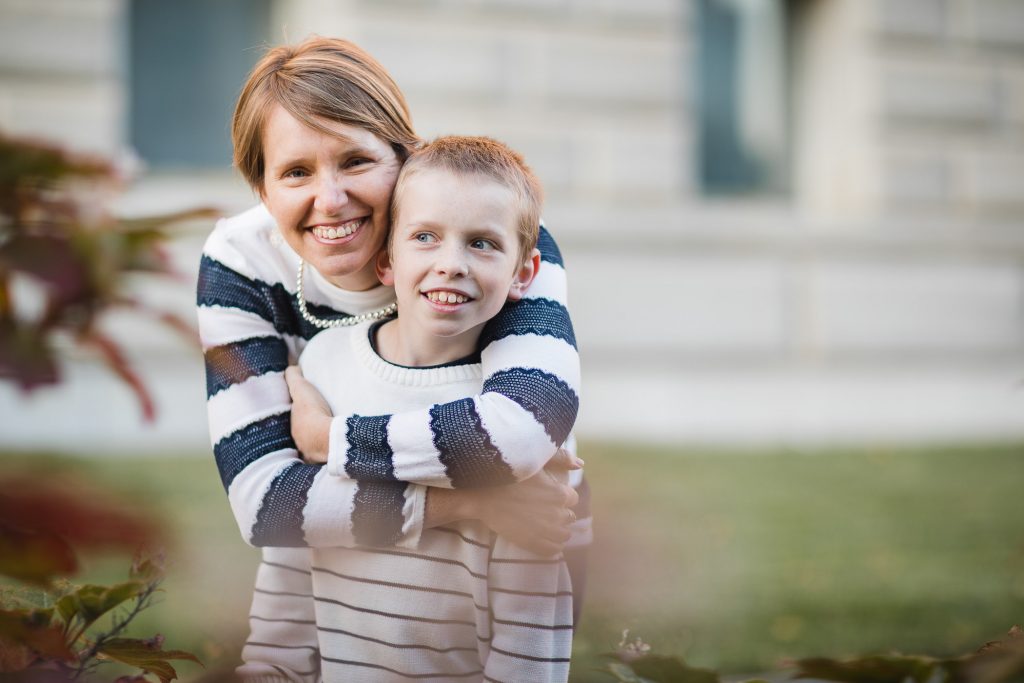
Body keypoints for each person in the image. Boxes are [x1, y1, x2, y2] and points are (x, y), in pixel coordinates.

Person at [194, 35, 590, 674]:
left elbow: (520, 436)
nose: (330, 200)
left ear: (403, 156)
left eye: (355, 160)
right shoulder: (239, 264)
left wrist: (331, 441)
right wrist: (474, 502)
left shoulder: (497, 238)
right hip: (354, 601)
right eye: (296, 172)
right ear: (262, 189)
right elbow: (268, 503)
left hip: (500, 587)